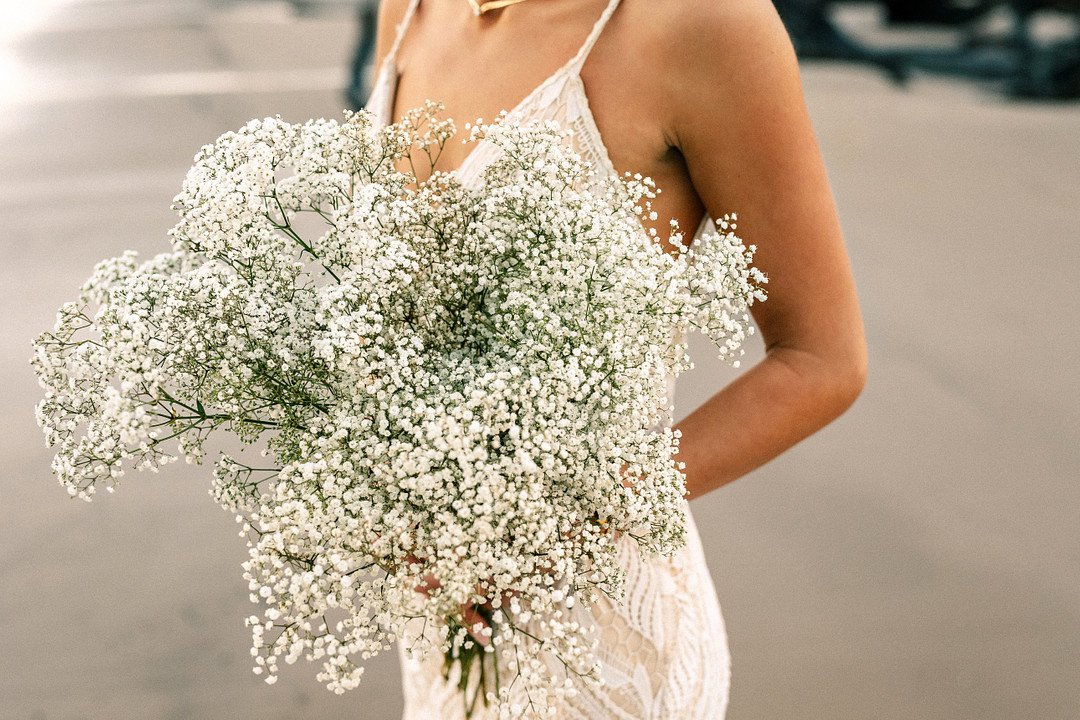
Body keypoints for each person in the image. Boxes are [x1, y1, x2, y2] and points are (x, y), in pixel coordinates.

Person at [366, 0, 868, 717]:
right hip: (446, 604)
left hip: (605, 642)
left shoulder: (707, 23)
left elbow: (822, 359)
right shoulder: (409, 9)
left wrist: (578, 510)